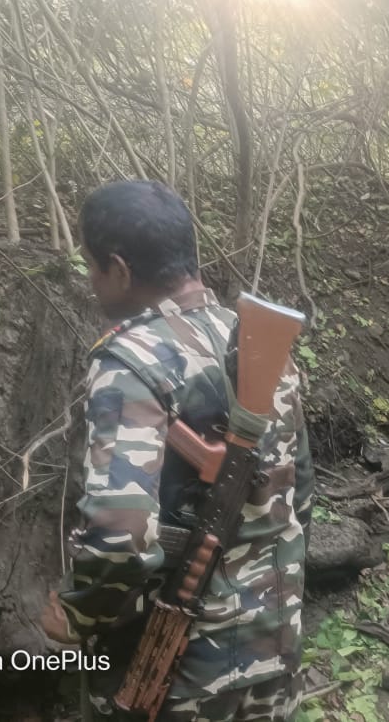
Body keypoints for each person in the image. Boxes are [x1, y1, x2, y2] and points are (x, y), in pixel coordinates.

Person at [39, 179, 313, 721]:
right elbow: (299, 489)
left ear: (120, 269)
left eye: (92, 265)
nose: (91, 280)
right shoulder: (255, 341)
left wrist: (77, 615)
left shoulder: (129, 363)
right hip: (274, 646)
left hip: (176, 672)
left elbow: (120, 536)